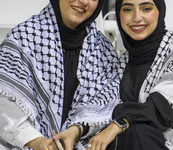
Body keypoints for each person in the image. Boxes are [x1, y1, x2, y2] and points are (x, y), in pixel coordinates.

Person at [0, 0, 121, 149]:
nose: (83, 1)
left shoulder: (104, 52)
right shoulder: (22, 39)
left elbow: (106, 105)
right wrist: (37, 141)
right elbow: (5, 104)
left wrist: (75, 131)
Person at [86, 0, 173, 149]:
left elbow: (161, 108)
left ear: (160, 11)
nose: (137, 17)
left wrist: (120, 123)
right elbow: (101, 109)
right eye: (127, 10)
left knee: (137, 132)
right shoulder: (120, 63)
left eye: (146, 8)